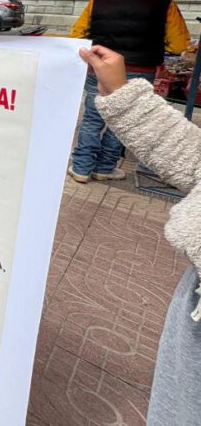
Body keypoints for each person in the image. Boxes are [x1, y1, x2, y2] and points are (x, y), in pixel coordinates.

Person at [79, 44, 201, 426]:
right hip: (139, 69)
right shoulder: (163, 9)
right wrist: (121, 95)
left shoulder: (98, 11)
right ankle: (93, 166)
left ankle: (83, 167)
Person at [69, 0, 190, 183]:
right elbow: (179, 43)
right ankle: (105, 168)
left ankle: (81, 168)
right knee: (121, 121)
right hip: (139, 72)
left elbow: (77, 35)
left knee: (92, 120)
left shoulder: (99, 0)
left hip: (100, 69)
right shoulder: (164, 2)